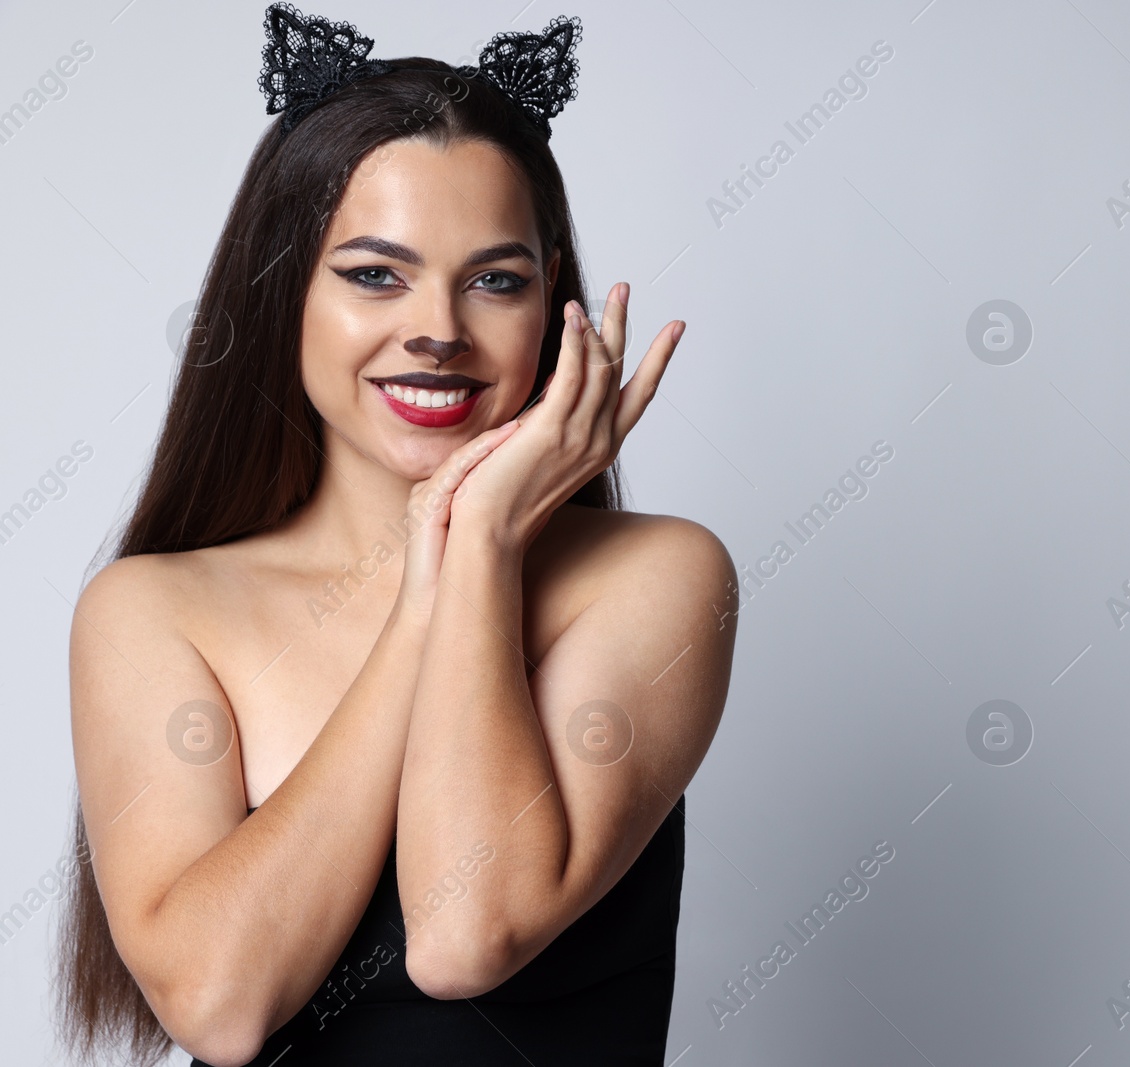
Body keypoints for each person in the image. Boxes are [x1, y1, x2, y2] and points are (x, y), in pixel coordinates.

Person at [54, 6, 738, 1065]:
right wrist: (430, 580)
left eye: (496, 280)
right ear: (284, 291)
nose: (439, 329)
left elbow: (468, 933)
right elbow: (221, 1005)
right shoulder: (154, 610)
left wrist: (478, 547)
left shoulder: (656, 576)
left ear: (553, 306)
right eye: (375, 272)